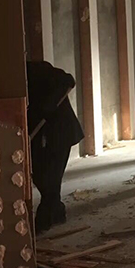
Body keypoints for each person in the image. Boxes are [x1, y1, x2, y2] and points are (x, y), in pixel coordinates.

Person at [26, 61, 84, 234]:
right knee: (40, 176)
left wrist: (48, 106)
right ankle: (57, 211)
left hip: (61, 132)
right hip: (39, 135)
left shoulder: (36, 70)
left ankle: (45, 218)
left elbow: (68, 80)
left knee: (52, 177)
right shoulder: (11, 84)